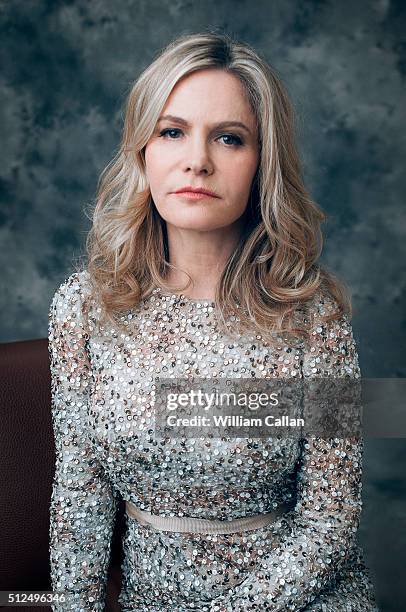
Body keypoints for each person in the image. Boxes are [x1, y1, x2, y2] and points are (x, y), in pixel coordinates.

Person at [48, 31, 379, 611]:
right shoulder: (83, 307)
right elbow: (81, 497)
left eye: (229, 138)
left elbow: (331, 517)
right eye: (172, 132)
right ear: (142, 151)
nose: (197, 160)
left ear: (261, 163)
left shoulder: (314, 311)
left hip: (298, 600)